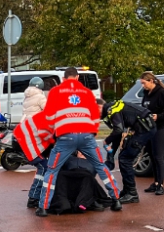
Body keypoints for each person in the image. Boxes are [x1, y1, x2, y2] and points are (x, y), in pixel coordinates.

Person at [36, 67, 122, 217]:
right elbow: (95, 117)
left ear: (64, 78)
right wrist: (91, 135)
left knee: (52, 170)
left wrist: (47, 136)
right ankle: (116, 199)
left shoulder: (56, 92)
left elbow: (48, 117)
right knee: (101, 166)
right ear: (77, 78)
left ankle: (43, 207)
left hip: (66, 137)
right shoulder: (87, 93)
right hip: (86, 136)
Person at [139, 72, 164, 196]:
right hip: (148, 129)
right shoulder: (146, 93)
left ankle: (161, 184)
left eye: (144, 83)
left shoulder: (162, 93)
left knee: (158, 156)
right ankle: (155, 182)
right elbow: (143, 108)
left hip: (159, 128)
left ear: (151, 81)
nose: (143, 86)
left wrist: (158, 116)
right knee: (152, 156)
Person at [21, 77, 49, 209]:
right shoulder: (40, 98)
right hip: (34, 138)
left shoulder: (27, 98)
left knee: (41, 167)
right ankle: (34, 197)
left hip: (26, 136)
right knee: (45, 167)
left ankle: (34, 196)